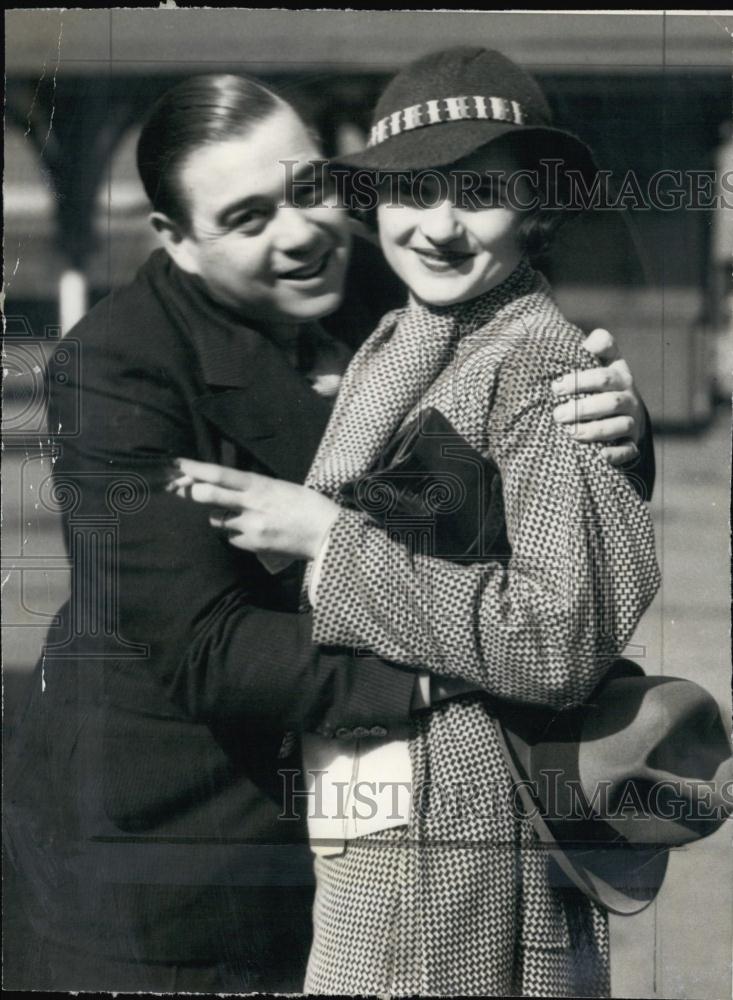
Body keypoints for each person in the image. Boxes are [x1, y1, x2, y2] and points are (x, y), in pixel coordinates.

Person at [5, 72, 653, 993]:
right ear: (176, 243)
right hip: (184, 843)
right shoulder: (116, 369)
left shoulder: (393, 296)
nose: (301, 232)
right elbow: (209, 647)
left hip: (375, 829)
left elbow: (514, 436)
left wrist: (614, 426)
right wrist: (487, 665)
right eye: (247, 217)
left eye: (308, 190)